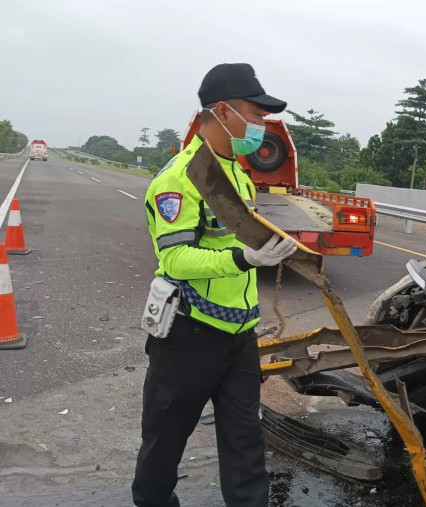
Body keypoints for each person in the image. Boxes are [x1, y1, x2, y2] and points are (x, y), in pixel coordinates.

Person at [132, 63, 297, 507]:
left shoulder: (236, 172)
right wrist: (244, 258)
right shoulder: (179, 179)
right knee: (164, 442)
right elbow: (175, 258)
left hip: (239, 335)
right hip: (190, 334)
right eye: (256, 115)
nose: (262, 126)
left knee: (246, 442)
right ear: (222, 111)